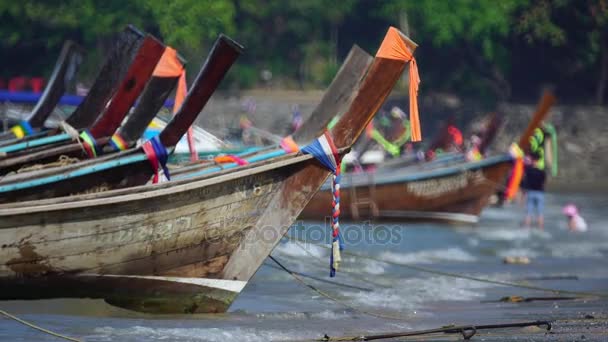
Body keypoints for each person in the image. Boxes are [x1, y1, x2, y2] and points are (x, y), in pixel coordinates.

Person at [523, 152, 546, 229]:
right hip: (540, 193)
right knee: (540, 213)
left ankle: (526, 227)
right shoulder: (542, 171)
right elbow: (543, 182)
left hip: (530, 192)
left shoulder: (528, 171)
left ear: (532, 160)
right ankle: (541, 228)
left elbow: (526, 182)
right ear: (538, 161)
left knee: (528, 213)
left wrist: (524, 192)